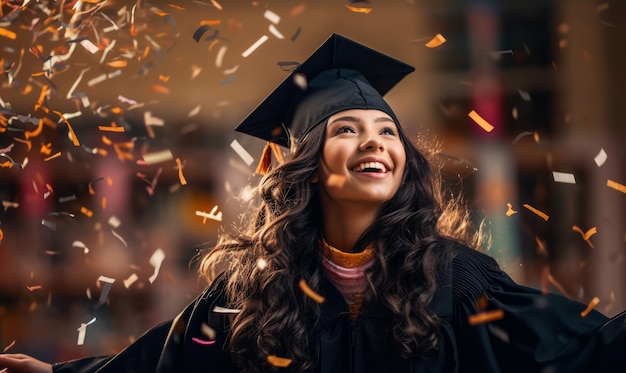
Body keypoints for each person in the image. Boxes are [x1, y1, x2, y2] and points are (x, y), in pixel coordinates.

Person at [1, 33, 624, 373]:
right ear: (305, 166)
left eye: (386, 132)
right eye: (346, 129)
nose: (374, 142)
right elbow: (160, 366)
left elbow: (576, 347)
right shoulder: (252, 294)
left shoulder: (455, 279)